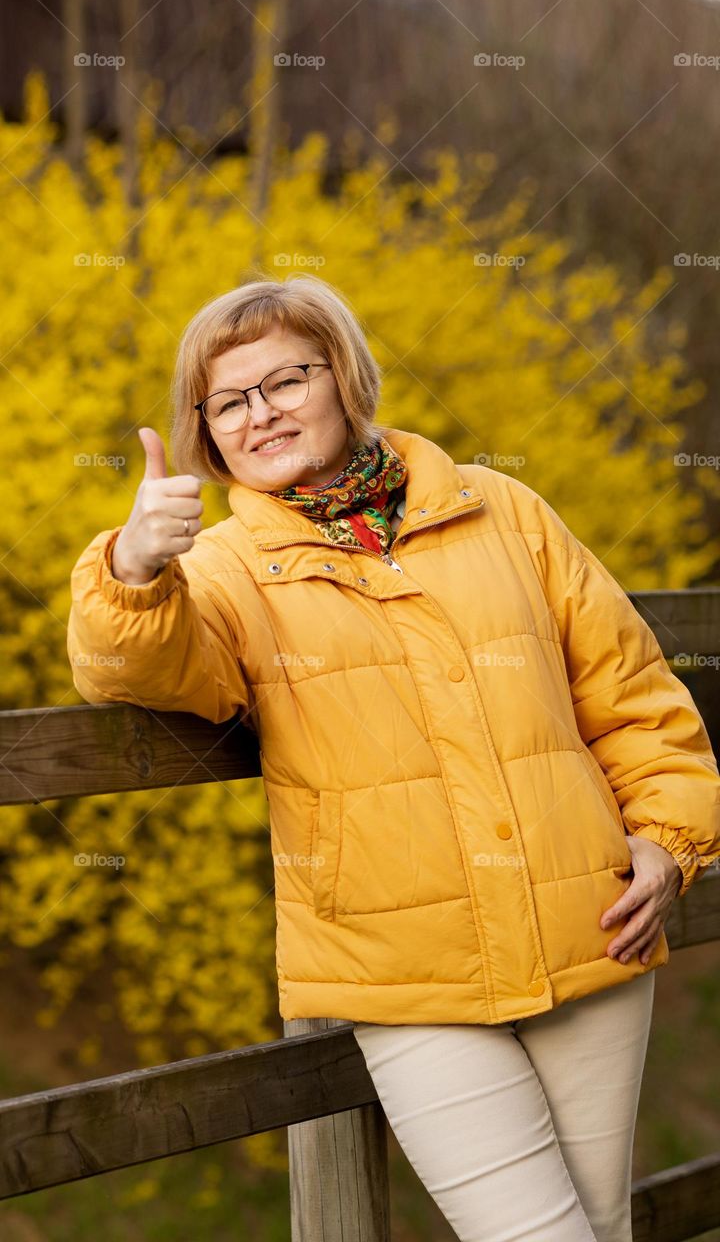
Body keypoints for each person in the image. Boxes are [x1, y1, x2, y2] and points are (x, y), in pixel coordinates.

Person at [67, 273, 720, 1242]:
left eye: (285, 380)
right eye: (230, 401)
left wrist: (668, 837)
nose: (261, 414)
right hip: (406, 973)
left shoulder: (505, 511)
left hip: (592, 926)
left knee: (602, 1225)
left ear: (345, 376)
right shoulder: (225, 573)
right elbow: (128, 665)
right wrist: (135, 565)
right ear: (206, 430)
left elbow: (631, 693)